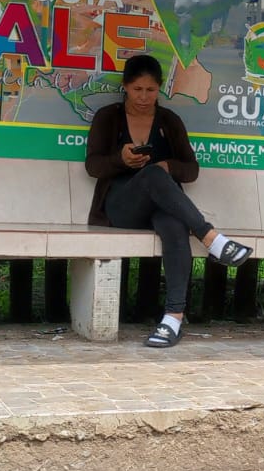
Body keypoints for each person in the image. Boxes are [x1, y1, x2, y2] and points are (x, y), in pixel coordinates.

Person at [86, 54, 252, 348]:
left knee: (174, 224)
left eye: (151, 90)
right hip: (121, 207)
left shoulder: (169, 121)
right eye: (137, 89)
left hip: (162, 208)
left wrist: (168, 167)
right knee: (151, 175)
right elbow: (93, 166)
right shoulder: (107, 117)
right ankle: (211, 238)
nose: (143, 97)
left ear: (160, 88)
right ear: (125, 86)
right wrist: (120, 160)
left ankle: (173, 319)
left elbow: (191, 170)